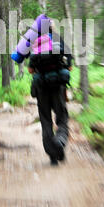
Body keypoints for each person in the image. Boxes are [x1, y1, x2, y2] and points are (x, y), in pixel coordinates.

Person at [28, 26, 73, 166]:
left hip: (42, 89)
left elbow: (30, 70)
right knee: (62, 119)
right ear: (52, 28)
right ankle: (60, 141)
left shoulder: (37, 44)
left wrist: (41, 70)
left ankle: (53, 157)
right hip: (58, 87)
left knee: (46, 121)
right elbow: (70, 66)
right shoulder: (60, 42)